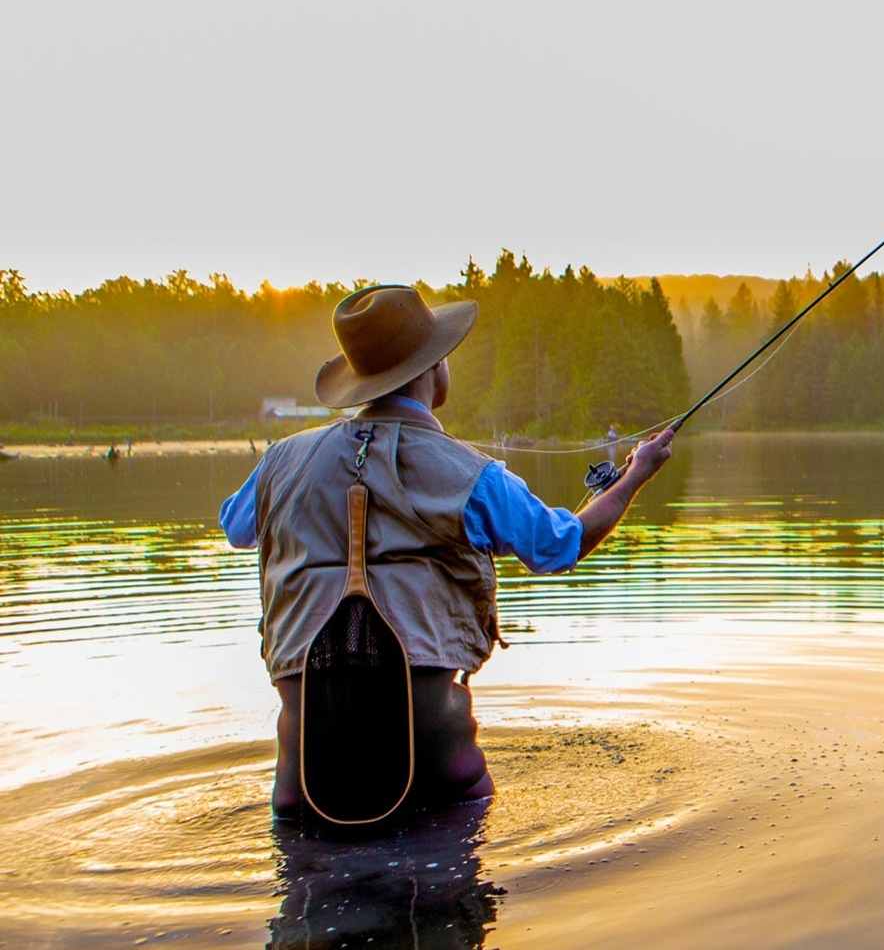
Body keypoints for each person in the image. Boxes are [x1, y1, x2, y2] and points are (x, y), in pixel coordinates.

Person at [218, 284, 674, 821]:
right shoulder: (470, 474)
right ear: (432, 368)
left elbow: (237, 527)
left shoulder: (280, 463)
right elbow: (560, 546)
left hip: (301, 792)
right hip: (440, 782)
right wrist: (634, 476)